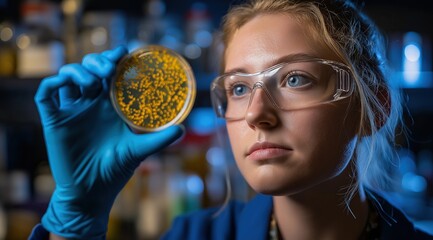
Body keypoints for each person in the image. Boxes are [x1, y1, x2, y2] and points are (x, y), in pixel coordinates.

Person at [29, 0, 432, 239]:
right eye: (239, 89)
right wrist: (76, 220)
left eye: (295, 79)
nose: (257, 114)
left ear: (372, 108)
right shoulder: (192, 237)